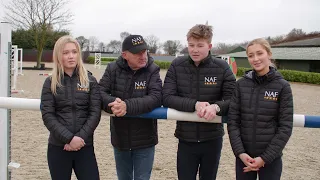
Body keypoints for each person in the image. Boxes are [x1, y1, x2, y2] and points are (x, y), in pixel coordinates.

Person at [162, 24, 236, 180]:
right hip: (185, 137)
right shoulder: (177, 65)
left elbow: (234, 99)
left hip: (212, 138)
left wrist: (216, 107)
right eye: (191, 45)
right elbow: (167, 97)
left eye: (200, 45)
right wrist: (194, 105)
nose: (194, 50)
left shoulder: (222, 67)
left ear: (209, 46)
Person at [227, 38, 293, 180]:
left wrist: (265, 158)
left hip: (271, 160)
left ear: (268, 54)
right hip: (244, 159)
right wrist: (240, 153)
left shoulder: (283, 86)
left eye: (259, 53)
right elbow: (233, 121)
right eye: (251, 56)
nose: (255, 59)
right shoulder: (241, 85)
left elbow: (285, 127)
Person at [99, 34, 162, 180]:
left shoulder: (153, 69)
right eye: (137, 53)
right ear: (124, 55)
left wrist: (127, 106)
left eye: (144, 51)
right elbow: (99, 92)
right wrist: (113, 104)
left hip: (145, 139)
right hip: (120, 138)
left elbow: (156, 97)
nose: (143, 56)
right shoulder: (112, 69)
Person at [40, 35, 101, 180]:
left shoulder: (90, 80)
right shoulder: (50, 82)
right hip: (58, 146)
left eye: (74, 52)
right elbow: (48, 115)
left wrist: (79, 138)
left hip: (84, 145)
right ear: (58, 55)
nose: (71, 56)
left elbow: (95, 112)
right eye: (65, 53)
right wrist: (68, 139)